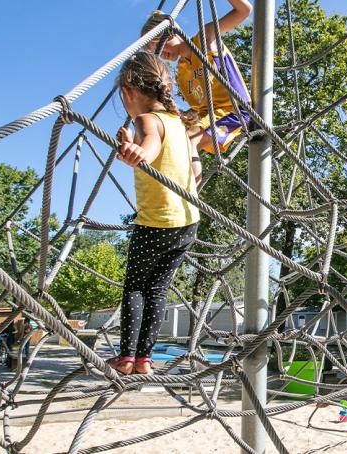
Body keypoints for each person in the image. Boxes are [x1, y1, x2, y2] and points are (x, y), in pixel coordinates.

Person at [110, 50, 200, 376]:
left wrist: (136, 151)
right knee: (158, 290)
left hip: (156, 223)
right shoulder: (178, 122)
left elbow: (149, 147)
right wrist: (131, 145)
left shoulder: (145, 120)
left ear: (128, 90)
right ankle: (145, 360)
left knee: (135, 287)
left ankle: (126, 358)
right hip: (187, 223)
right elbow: (194, 168)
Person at [140, 1, 253, 179]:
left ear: (170, 34)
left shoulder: (204, 39)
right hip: (211, 116)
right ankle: (170, 185)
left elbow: (244, 10)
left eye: (159, 46)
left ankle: (190, 199)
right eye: (156, 51)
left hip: (234, 111)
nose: (161, 54)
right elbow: (199, 110)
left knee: (190, 139)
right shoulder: (182, 71)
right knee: (167, 134)